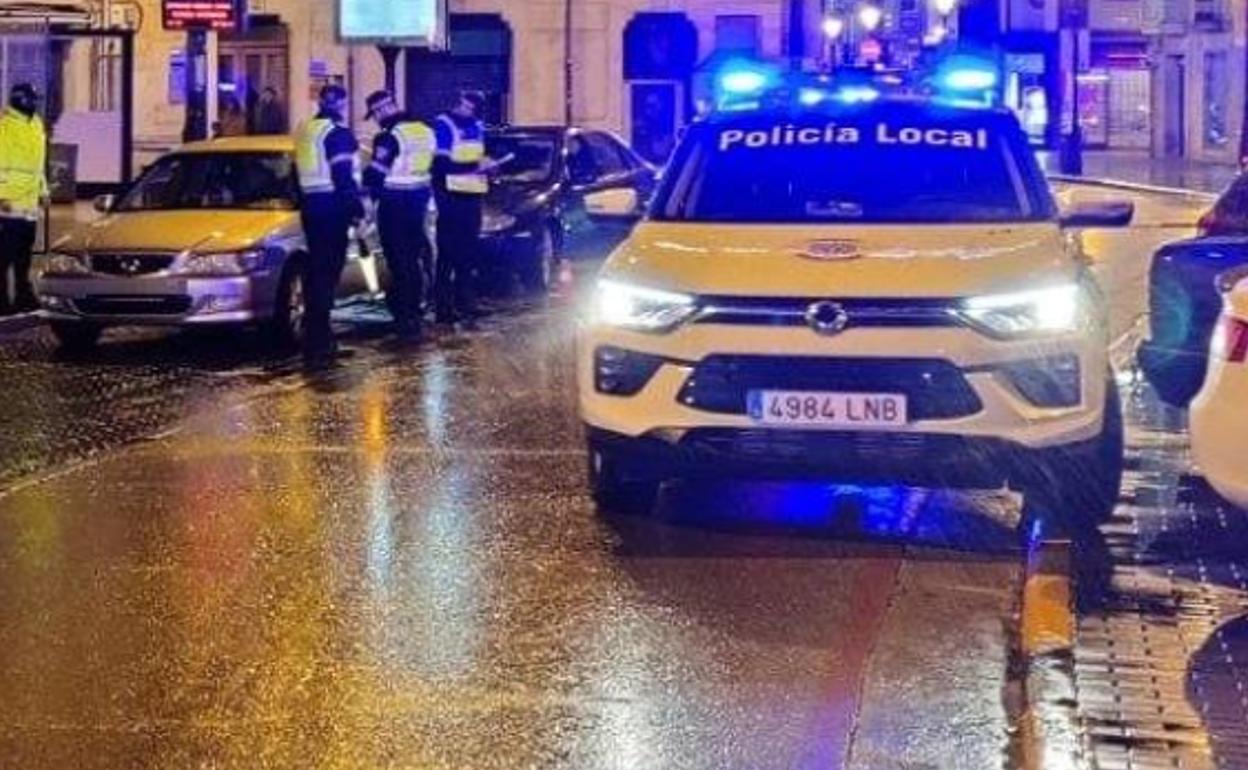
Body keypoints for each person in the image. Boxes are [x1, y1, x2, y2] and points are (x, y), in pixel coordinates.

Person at [294, 83, 363, 370]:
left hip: (311, 206)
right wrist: (356, 210)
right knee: (327, 274)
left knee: (316, 273)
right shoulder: (338, 134)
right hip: (332, 207)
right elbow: (343, 176)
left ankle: (317, 339)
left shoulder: (306, 131)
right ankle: (321, 343)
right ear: (342, 104)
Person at [363, 89, 435, 343]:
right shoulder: (424, 130)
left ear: (382, 110)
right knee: (413, 261)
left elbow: (375, 174)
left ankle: (404, 321)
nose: (375, 119)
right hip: (418, 203)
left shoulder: (388, 137)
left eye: (374, 114)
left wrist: (363, 183)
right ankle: (414, 316)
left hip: (394, 205)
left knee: (399, 263)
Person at [432, 90, 489, 328]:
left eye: (473, 109)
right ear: (457, 104)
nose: (469, 112)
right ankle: (444, 308)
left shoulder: (477, 125)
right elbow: (441, 164)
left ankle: (466, 302)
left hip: (472, 197)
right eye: (467, 107)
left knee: (468, 255)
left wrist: (489, 166)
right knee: (447, 255)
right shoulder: (443, 125)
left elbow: (479, 155)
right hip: (450, 198)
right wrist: (476, 165)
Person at [0, 83, 48, 316]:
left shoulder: (36, 124)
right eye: (32, 99)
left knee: (24, 255)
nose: (35, 103)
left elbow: (38, 165)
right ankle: (2, 300)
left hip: (29, 203)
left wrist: (44, 191)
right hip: (8, 203)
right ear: (21, 100)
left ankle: (23, 295)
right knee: (4, 255)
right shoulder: (4, 127)